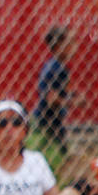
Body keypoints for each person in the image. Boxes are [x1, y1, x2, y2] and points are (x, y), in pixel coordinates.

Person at [32, 25, 87, 157]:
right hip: (48, 121)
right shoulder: (57, 69)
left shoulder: (55, 65)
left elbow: (55, 90)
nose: (75, 46)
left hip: (52, 121)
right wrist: (74, 101)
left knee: (60, 154)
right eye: (70, 42)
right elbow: (51, 98)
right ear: (58, 46)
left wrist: (72, 94)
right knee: (58, 156)